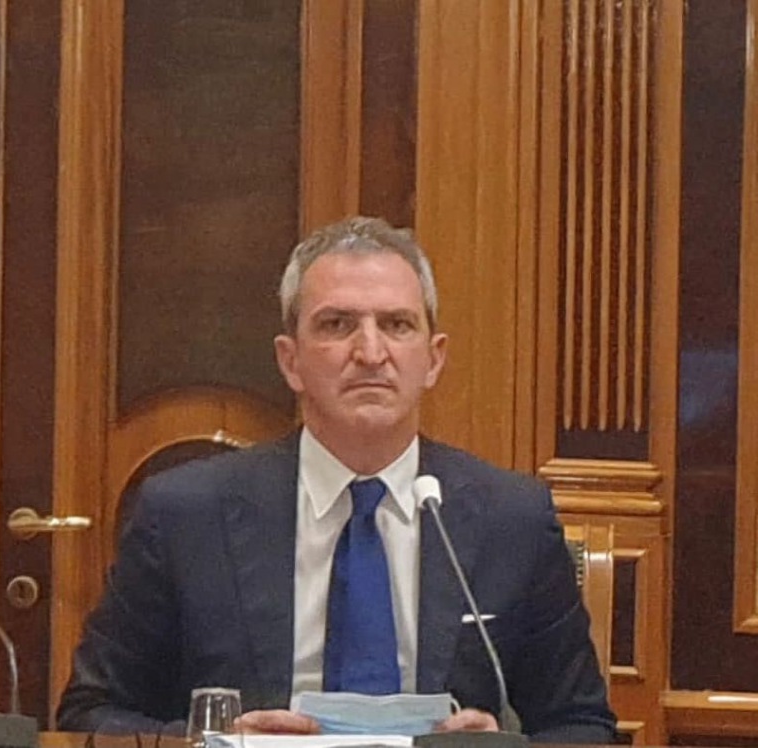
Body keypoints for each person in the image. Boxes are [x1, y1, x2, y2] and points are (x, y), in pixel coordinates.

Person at [57, 216, 616, 743]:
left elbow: (582, 725)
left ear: (434, 359)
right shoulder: (186, 514)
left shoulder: (512, 518)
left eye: (397, 325)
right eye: (337, 325)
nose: (370, 353)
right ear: (290, 360)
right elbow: (91, 713)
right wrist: (220, 744)